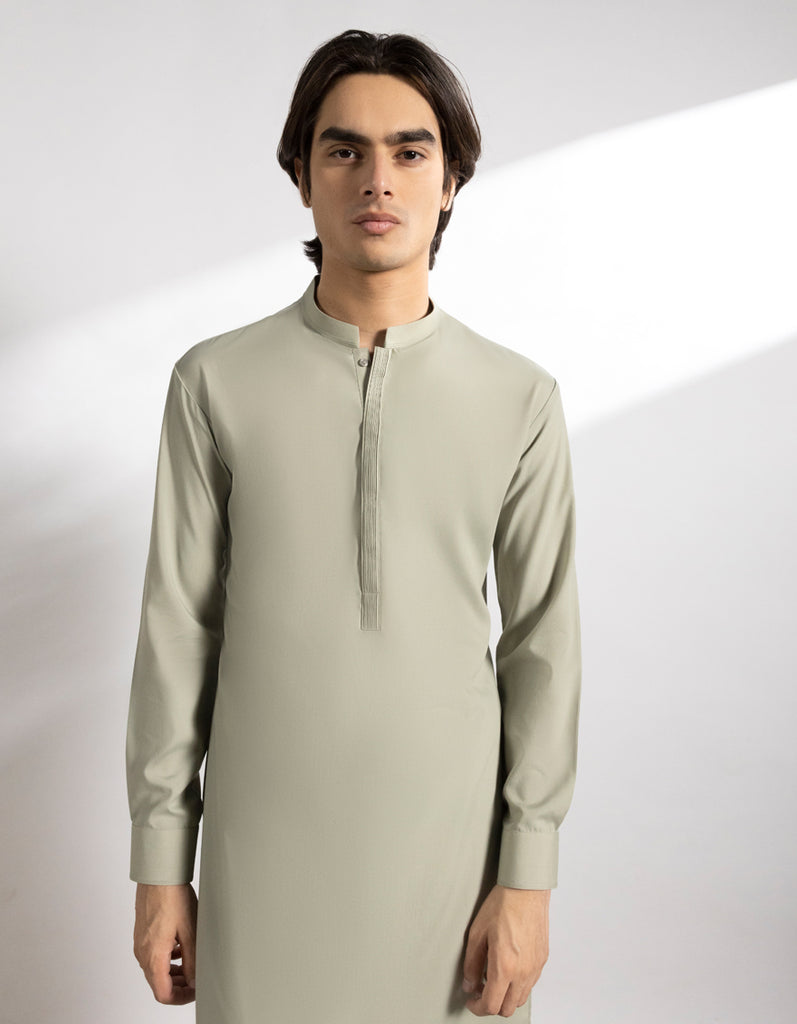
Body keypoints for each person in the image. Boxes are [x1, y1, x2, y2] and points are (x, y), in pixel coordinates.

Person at [126, 27, 582, 1024]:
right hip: (260, 862)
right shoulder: (214, 383)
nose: (377, 179)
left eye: (409, 151)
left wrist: (528, 876)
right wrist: (161, 864)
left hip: (452, 869)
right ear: (302, 175)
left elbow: (541, 645)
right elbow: (177, 629)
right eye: (344, 150)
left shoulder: (518, 398)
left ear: (450, 180)